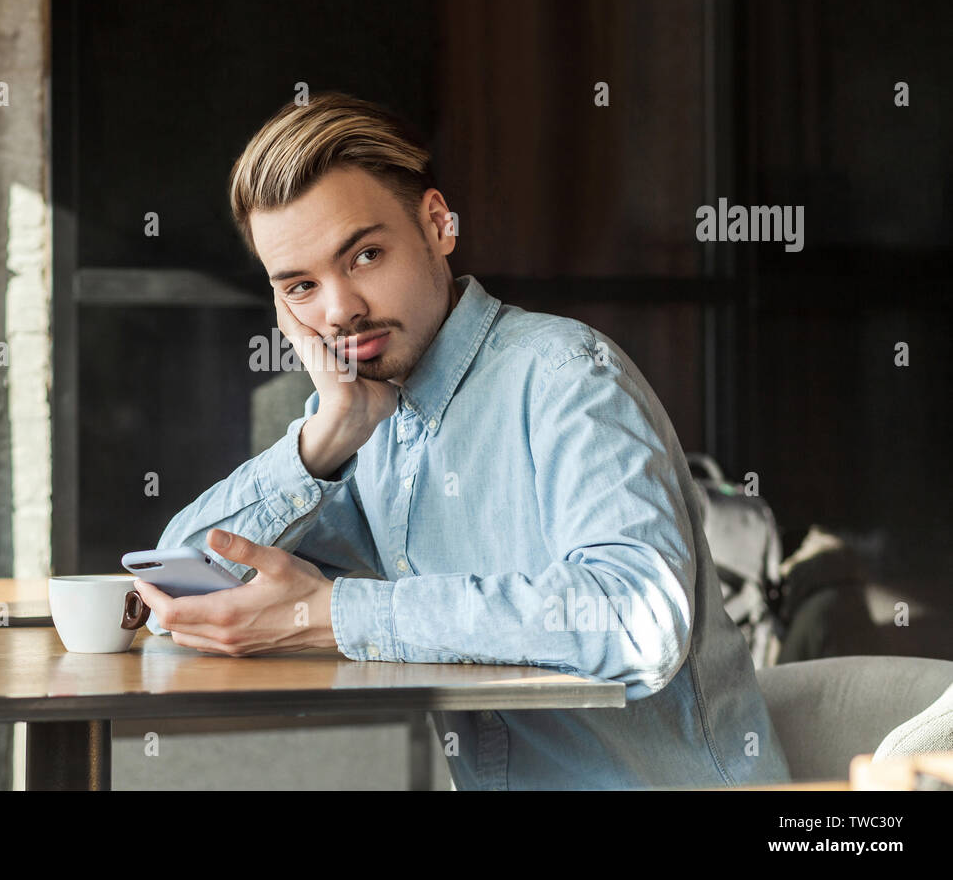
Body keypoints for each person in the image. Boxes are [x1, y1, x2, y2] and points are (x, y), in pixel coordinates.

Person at [131, 92, 792, 790]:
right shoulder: (364, 426)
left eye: (364, 255)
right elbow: (177, 580)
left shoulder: (566, 376)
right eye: (300, 287)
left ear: (438, 224)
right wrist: (325, 436)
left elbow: (635, 619)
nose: (338, 309)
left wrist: (336, 613)